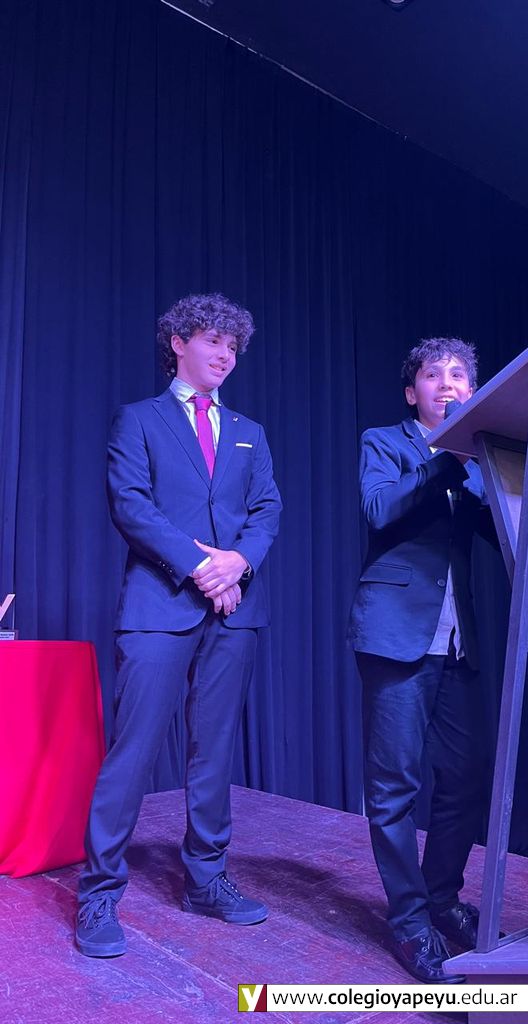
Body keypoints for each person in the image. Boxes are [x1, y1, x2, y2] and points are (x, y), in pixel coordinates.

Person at [75, 293, 281, 957]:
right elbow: (132, 507)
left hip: (234, 610)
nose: (225, 355)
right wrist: (204, 568)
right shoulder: (138, 419)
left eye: (233, 346)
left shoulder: (250, 430)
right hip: (160, 605)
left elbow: (267, 510)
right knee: (132, 750)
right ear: (178, 343)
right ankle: (99, 892)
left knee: (213, 752)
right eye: (213, 340)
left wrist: (239, 563)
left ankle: (206, 880)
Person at [348, 337, 497, 983]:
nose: (447, 383)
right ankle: (409, 922)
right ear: (414, 393)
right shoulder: (385, 442)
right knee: (394, 788)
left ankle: (442, 898)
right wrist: (448, 459)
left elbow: (503, 536)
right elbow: (380, 509)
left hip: (459, 641)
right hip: (395, 635)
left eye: (459, 375)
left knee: (467, 777)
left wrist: (497, 476)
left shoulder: (480, 461)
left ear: (474, 391)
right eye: (433, 375)